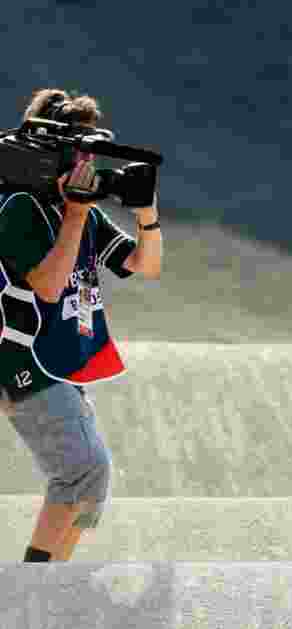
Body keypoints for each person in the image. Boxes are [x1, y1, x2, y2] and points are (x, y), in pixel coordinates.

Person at [0, 88, 162, 562]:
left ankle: (50, 586)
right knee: (80, 470)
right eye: (82, 153)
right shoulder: (20, 210)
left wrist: (146, 214)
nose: (88, 163)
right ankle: (30, 597)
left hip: (55, 359)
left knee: (90, 486)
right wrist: (75, 214)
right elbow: (47, 286)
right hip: (22, 358)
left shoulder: (79, 212)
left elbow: (142, 265)